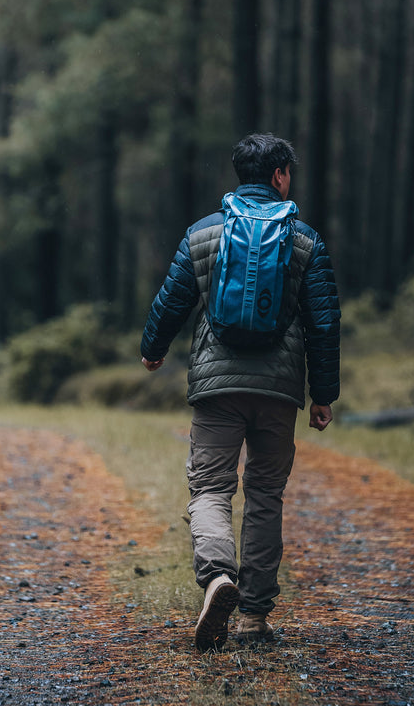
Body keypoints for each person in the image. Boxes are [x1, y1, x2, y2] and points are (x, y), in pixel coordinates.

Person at [140, 133, 340, 651]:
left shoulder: (204, 233)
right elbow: (323, 323)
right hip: (277, 391)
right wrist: (324, 393)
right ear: (279, 177)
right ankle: (253, 616)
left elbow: (173, 299)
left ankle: (217, 576)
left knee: (210, 488)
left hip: (216, 385)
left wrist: (153, 348)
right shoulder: (305, 240)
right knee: (266, 495)